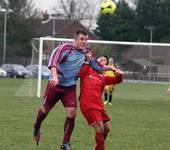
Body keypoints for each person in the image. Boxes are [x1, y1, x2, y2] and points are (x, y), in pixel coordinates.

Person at [33, 30, 114, 150]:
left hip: (70, 87)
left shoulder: (88, 52)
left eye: (86, 39)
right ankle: (37, 127)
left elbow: (96, 66)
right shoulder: (64, 49)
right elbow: (53, 63)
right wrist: (55, 77)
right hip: (55, 85)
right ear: (75, 39)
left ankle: (65, 143)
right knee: (45, 110)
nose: (84, 42)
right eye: (82, 39)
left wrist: (111, 68)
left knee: (72, 114)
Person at [79, 55, 124, 150]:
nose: (102, 60)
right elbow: (81, 73)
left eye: (105, 60)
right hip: (88, 102)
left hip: (99, 105)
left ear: (106, 65)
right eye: (101, 58)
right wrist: (87, 61)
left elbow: (117, 80)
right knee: (100, 127)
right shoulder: (88, 68)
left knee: (107, 129)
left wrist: (120, 75)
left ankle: (98, 147)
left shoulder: (104, 77)